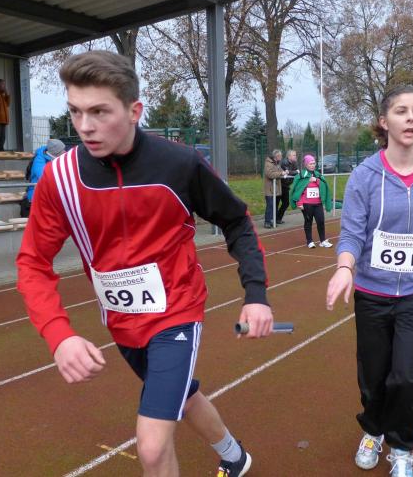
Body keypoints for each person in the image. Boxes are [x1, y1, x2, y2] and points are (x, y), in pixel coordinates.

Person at [16, 51, 273, 477]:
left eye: (99, 112)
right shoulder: (59, 180)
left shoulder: (179, 164)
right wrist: (59, 336)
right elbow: (32, 263)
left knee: (152, 448)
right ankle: (234, 456)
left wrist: (256, 295)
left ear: (134, 111)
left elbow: (237, 222)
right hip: (121, 321)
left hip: (176, 314)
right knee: (183, 396)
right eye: (75, 112)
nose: (85, 126)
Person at [325, 84, 413, 477]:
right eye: (401, 111)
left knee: (408, 376)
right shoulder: (365, 176)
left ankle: (401, 447)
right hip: (372, 290)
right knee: (373, 376)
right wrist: (345, 267)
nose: (411, 118)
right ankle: (373, 430)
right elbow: (352, 233)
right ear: (384, 121)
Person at [290, 154, 332, 248]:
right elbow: (297, 190)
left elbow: (324, 186)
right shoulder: (301, 176)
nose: (313, 165)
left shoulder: (318, 175)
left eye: (314, 163)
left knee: (321, 221)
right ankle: (309, 241)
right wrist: (299, 202)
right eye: (310, 164)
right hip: (306, 204)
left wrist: (316, 180)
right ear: (306, 165)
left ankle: (322, 241)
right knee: (308, 221)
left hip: (318, 203)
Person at [20, 139, 65, 218]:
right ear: (56, 153)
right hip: (36, 196)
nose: (64, 152)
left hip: (49, 195)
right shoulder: (39, 161)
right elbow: (46, 178)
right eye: (62, 151)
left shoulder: (55, 157)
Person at [263, 150, 284, 228]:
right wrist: (281, 173)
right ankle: (267, 222)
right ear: (276, 156)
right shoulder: (268, 163)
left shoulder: (277, 164)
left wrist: (284, 172)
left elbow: (280, 171)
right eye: (280, 156)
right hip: (269, 189)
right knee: (270, 205)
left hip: (275, 188)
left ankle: (271, 220)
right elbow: (270, 174)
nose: (281, 157)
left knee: (273, 205)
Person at [278, 149, 298, 224]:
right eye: (294, 155)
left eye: (295, 155)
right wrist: (295, 172)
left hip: (286, 186)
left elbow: (297, 171)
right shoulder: (284, 162)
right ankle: (273, 219)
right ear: (289, 156)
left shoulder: (294, 162)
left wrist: (294, 172)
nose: (295, 156)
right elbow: (289, 172)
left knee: (286, 203)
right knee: (276, 203)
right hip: (279, 185)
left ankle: (278, 218)